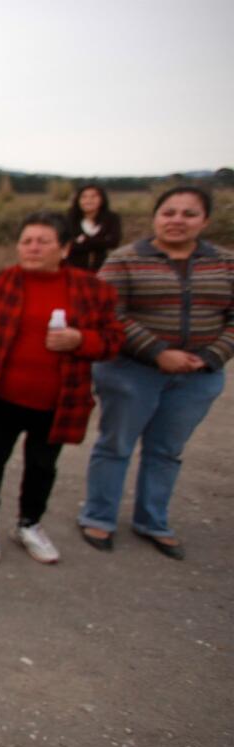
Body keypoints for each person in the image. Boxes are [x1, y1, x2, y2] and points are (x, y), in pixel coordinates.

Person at [0, 211, 123, 565]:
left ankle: (29, 523)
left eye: (43, 242)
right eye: (27, 241)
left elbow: (113, 341)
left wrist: (81, 339)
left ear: (64, 248)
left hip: (57, 401)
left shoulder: (94, 291)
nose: (33, 248)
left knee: (43, 466)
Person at [78, 187, 232, 558]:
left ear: (205, 221)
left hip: (199, 374)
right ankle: (99, 516)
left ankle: (153, 520)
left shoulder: (225, 264)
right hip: (131, 370)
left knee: (167, 450)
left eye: (189, 214)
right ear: (155, 217)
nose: (177, 220)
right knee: (115, 444)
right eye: (169, 212)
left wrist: (213, 355)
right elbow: (108, 313)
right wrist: (159, 352)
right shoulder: (124, 259)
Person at [65, 184, 123, 272]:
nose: (88, 200)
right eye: (84, 197)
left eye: (94, 196)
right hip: (74, 268)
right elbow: (68, 244)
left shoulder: (111, 218)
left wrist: (85, 240)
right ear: (78, 200)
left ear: (102, 199)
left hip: (101, 268)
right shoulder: (70, 218)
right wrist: (101, 241)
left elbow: (113, 242)